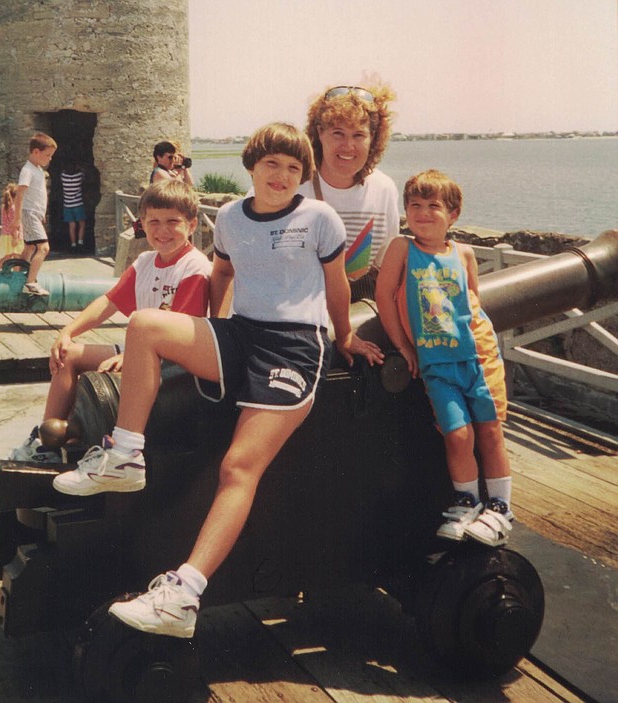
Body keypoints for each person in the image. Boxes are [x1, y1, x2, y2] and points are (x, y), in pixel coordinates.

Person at [53, 122, 384, 637]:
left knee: (238, 468)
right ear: (251, 166)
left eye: (294, 168)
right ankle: (125, 454)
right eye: (271, 164)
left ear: (303, 175)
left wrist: (343, 336)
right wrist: (213, 330)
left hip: (294, 347)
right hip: (241, 334)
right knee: (146, 326)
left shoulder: (319, 217)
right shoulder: (229, 217)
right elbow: (222, 275)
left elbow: (337, 285)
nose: (281, 175)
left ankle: (183, 595)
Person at [10, 180, 212, 463]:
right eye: (153, 221)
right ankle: (47, 444)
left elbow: (182, 333)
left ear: (191, 225)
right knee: (67, 355)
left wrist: (132, 357)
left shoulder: (195, 268)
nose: (162, 231)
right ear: (142, 223)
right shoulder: (145, 262)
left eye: (172, 222)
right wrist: (68, 332)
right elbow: (109, 302)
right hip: (142, 351)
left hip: (175, 360)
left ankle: (92, 440)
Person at [376, 169, 513, 548]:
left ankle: (500, 507)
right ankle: (467, 501)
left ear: (453, 215)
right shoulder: (403, 249)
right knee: (456, 435)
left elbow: (473, 303)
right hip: (436, 363)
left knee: (489, 430)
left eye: (433, 206)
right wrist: (404, 346)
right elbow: (386, 296)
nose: (422, 212)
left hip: (477, 357)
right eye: (415, 205)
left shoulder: (464, 253)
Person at [301, 84, 400, 301]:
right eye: (338, 133)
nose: (348, 145)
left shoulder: (384, 189)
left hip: (360, 303)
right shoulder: (296, 184)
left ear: (373, 137)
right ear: (320, 133)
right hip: (300, 304)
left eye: (358, 135)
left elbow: (385, 266)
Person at [11, 132, 57, 296]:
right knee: (43, 248)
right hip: (29, 213)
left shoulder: (37, 169)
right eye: (48, 155)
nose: (50, 159)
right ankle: (30, 282)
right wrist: (17, 220)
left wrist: (41, 213)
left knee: (30, 247)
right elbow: (20, 194)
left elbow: (37, 195)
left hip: (34, 214)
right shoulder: (27, 170)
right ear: (36, 152)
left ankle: (17, 277)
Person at [0, 183, 24, 270]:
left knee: (7, 256)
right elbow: (14, 224)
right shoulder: (14, 208)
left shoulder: (4, 207)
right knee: (17, 257)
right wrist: (15, 237)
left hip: (6, 234)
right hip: (14, 235)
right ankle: (16, 274)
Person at [60, 161, 86, 252]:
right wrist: (79, 167)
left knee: (72, 226)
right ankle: (80, 242)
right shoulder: (78, 176)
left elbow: (62, 171)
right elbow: (84, 172)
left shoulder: (63, 176)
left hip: (67, 205)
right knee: (82, 224)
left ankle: (73, 244)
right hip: (78, 204)